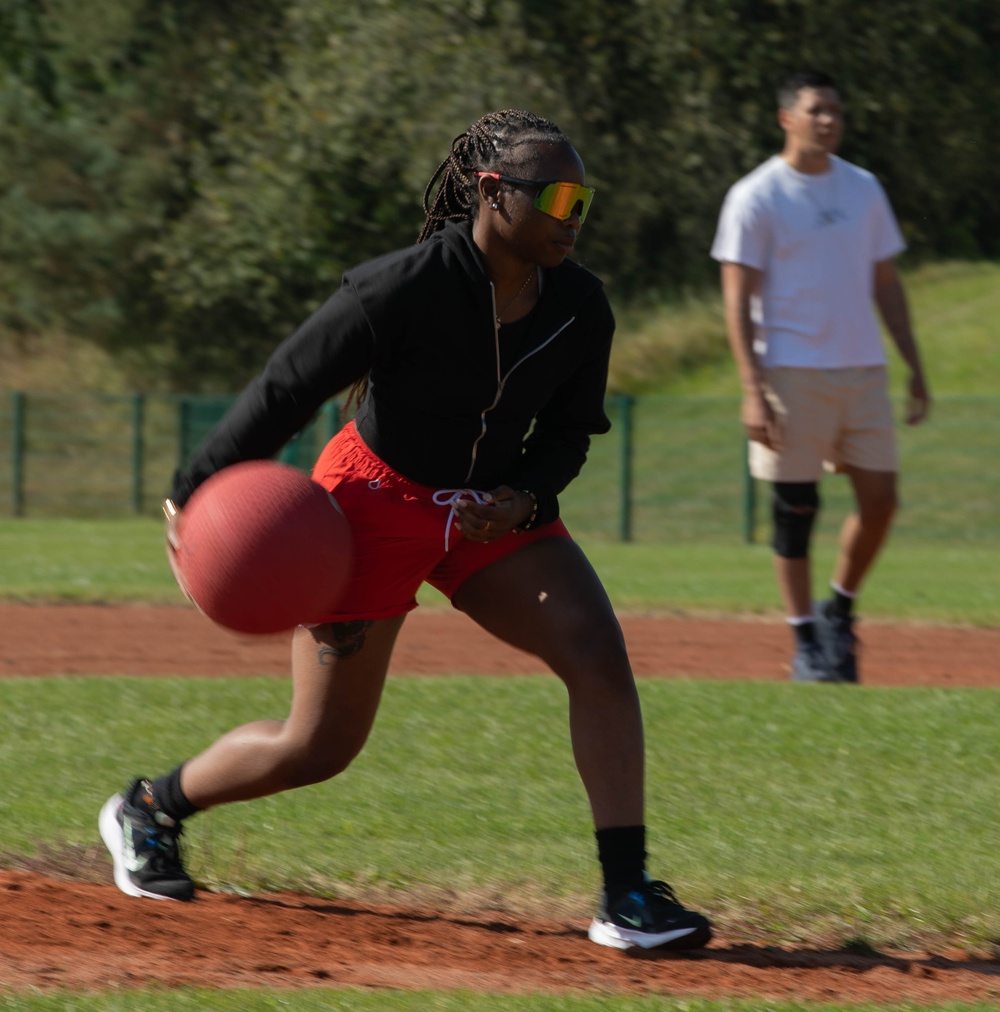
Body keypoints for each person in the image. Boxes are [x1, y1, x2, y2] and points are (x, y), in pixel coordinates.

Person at [99, 109, 712, 952]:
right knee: (319, 746)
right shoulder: (401, 287)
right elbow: (288, 386)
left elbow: (570, 436)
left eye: (585, 198)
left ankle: (628, 894)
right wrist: (190, 494)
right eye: (560, 196)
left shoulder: (581, 307)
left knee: (597, 654)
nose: (575, 216)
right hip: (366, 509)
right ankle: (151, 807)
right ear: (494, 194)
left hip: (491, 515)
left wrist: (526, 496)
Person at [711, 71, 930, 683]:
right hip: (789, 370)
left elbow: (886, 282)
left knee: (882, 501)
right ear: (788, 118)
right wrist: (752, 388)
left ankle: (840, 609)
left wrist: (913, 363)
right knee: (795, 509)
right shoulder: (756, 196)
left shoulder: (863, 188)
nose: (829, 119)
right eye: (816, 110)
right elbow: (736, 299)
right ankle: (805, 639)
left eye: (836, 109)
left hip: (862, 370)